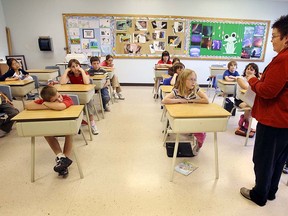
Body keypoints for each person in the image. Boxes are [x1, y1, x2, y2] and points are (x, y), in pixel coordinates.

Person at [240, 15, 288, 207]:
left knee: (263, 159)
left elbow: (268, 91)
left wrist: (252, 80)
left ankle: (259, 194)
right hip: (284, 121)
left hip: (273, 120)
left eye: (274, 36)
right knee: (278, 159)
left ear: (286, 37)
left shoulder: (283, 59)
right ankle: (270, 192)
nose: (271, 40)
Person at [25, 86, 74, 176]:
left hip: (67, 125)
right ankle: (61, 158)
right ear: (47, 100)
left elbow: (61, 106)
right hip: (52, 125)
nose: (59, 99)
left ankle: (63, 161)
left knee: (69, 132)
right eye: (55, 100)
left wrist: (47, 104)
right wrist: (48, 105)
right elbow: (28, 106)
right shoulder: (46, 102)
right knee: (46, 133)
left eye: (59, 96)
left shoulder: (66, 98)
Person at [162, 69, 209, 155]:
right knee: (188, 127)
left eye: (195, 79)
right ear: (183, 80)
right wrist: (180, 100)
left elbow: (206, 100)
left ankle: (199, 144)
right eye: (191, 79)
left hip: (192, 116)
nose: (193, 82)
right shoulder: (176, 91)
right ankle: (192, 132)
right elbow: (165, 100)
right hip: (180, 117)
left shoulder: (196, 89)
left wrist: (192, 101)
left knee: (201, 130)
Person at [60, 59, 99, 135]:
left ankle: (92, 123)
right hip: (75, 95)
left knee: (89, 103)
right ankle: (76, 123)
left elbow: (86, 82)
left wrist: (82, 71)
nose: (75, 68)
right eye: (73, 67)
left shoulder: (85, 73)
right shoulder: (70, 75)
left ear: (80, 66)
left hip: (85, 95)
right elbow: (62, 82)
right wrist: (66, 71)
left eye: (77, 66)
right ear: (70, 68)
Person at [234, 63, 260, 137]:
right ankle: (245, 122)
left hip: (250, 99)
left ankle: (245, 120)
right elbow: (245, 87)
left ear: (255, 72)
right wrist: (251, 80)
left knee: (253, 105)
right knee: (249, 107)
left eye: (251, 70)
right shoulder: (240, 78)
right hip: (240, 100)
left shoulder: (256, 79)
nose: (248, 71)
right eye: (247, 69)